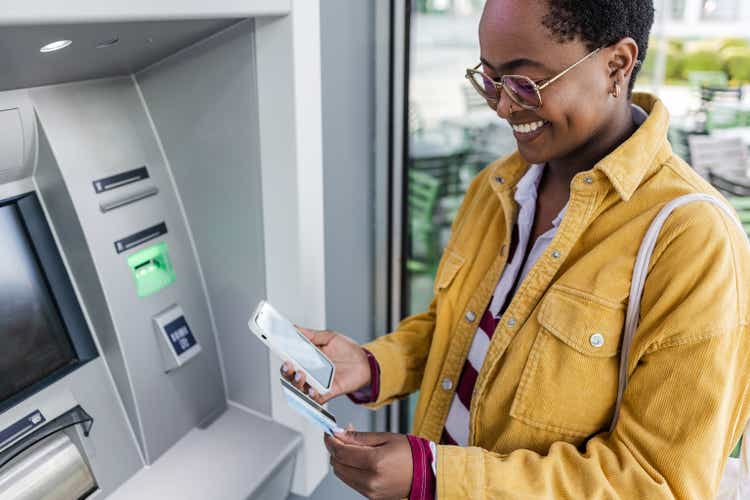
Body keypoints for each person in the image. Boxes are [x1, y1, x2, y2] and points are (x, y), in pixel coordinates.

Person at [283, 0, 750, 498]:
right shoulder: (498, 185)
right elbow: (455, 328)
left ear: (616, 64)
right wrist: (371, 366)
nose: (503, 106)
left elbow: (656, 483)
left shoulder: (694, 242)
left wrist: (438, 475)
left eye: (525, 83)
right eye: (488, 79)